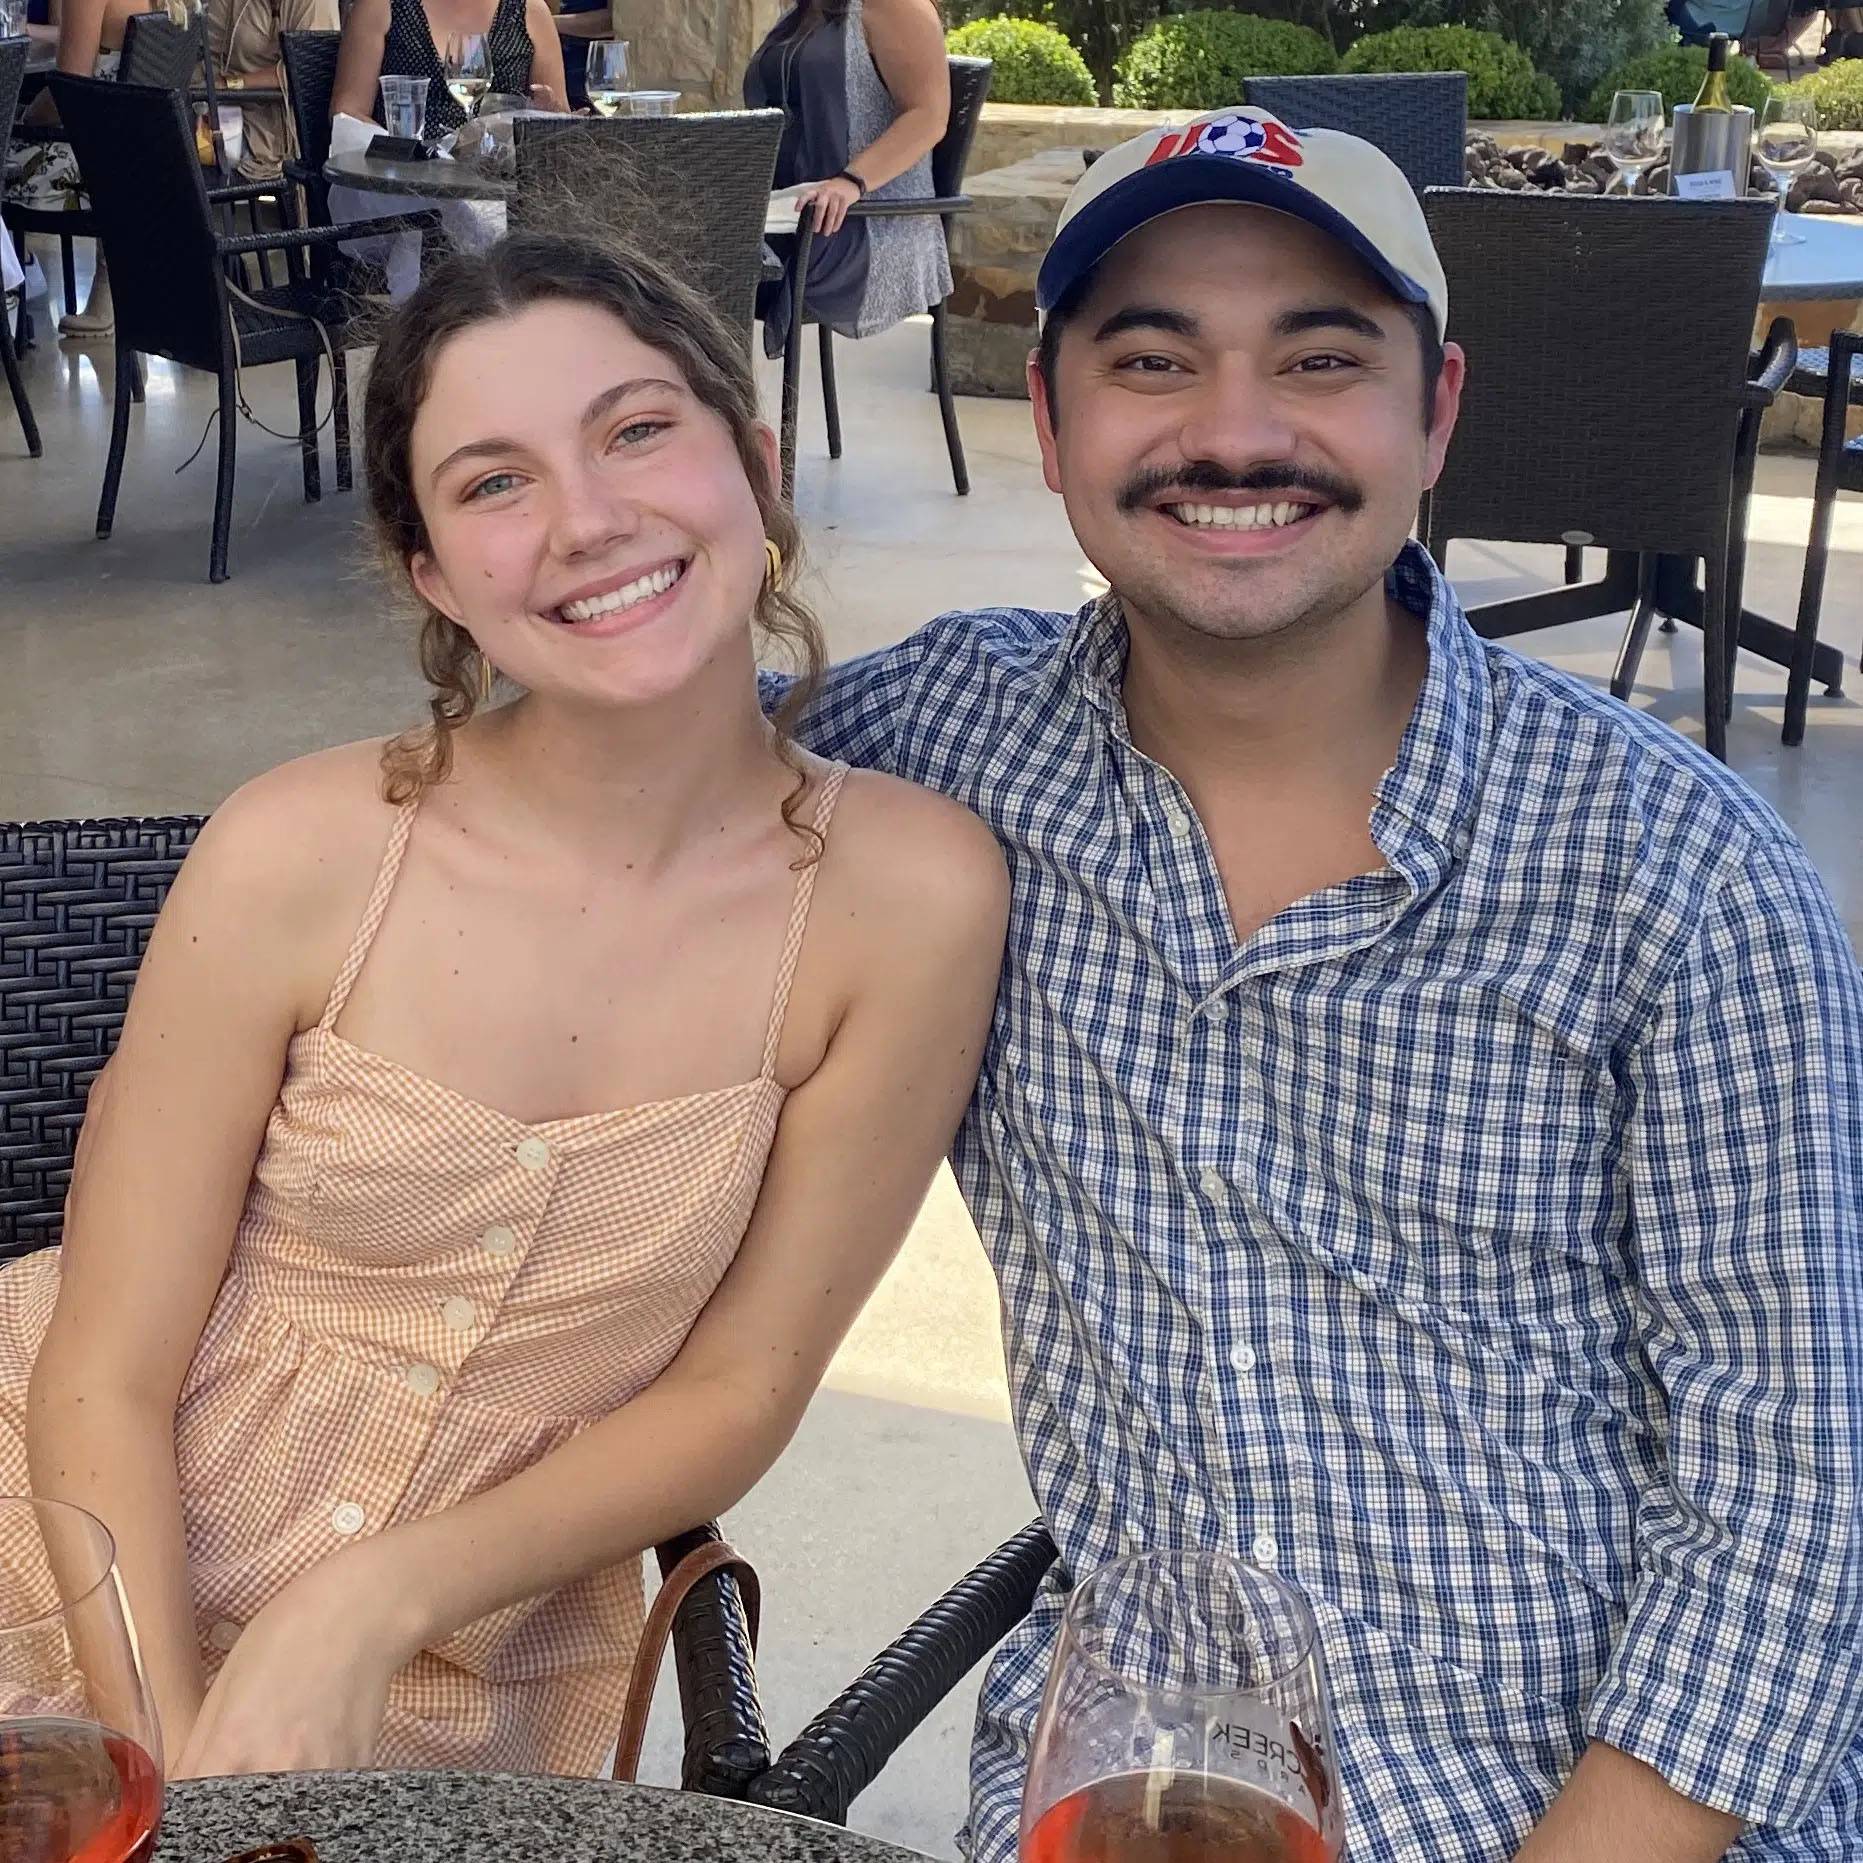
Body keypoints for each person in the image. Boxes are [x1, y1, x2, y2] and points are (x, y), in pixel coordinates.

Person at [777, 108, 1863, 1863]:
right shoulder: (931, 748)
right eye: (1150, 359)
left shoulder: (1678, 876)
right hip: (1155, 1757)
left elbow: (1796, 1503)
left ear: (1433, 413)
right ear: (1045, 423)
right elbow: (617, 771)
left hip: (1613, 1781)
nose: (1232, 432)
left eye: (1320, 359)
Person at [0, 230, 1006, 1777]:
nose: (587, 521)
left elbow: (740, 1385)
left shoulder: (904, 898)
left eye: (635, 431)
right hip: (73, 1554)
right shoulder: (300, 852)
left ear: (757, 461)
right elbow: (102, 1367)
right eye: (493, 482)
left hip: (464, 1657)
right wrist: (171, 1767)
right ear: (432, 576)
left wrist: (368, 1598)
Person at [743, 0, 950, 360]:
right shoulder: (804, 9)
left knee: (702, 259)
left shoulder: (895, 6)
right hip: (787, 212)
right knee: (673, 243)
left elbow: (929, 115)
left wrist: (851, 182)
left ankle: (717, 406)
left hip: (859, 225)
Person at [3, 0, 187, 335]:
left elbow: (67, 91)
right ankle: (113, 289)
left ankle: (8, 309)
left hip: (93, 165)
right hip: (150, 159)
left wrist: (22, 118)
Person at [330, 0, 567, 136]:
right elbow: (346, 112)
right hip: (404, 185)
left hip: (502, 187)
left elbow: (559, 117)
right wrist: (411, 156)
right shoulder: (383, 6)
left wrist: (551, 114)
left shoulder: (530, 12)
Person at [203, 0, 339, 185]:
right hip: (210, 112)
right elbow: (204, 50)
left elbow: (308, 69)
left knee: (174, 169)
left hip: (264, 133)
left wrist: (231, 84)